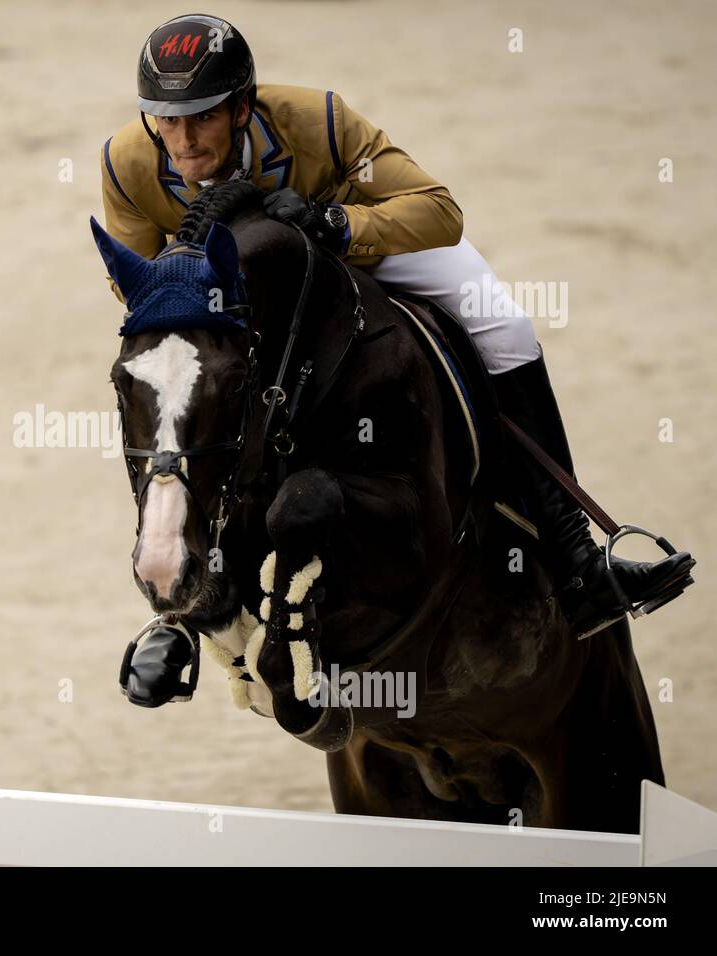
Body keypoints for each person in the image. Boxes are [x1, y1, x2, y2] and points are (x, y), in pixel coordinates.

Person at [101, 14, 694, 703]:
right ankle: (179, 612)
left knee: (506, 325)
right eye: (165, 122)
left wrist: (333, 223)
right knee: (167, 386)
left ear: (241, 106)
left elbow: (439, 211)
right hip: (244, 294)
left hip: (366, 247)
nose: (183, 141)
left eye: (201, 118)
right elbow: (139, 289)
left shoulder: (318, 121)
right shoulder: (127, 164)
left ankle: (578, 559)